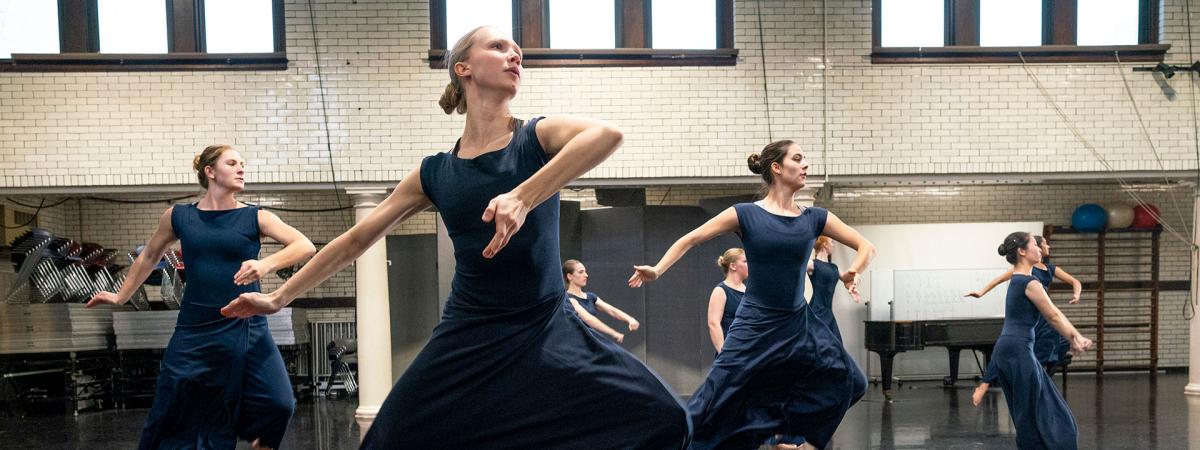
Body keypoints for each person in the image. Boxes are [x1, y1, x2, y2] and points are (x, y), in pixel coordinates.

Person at [220, 26, 690, 449]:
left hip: (546, 323)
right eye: (499, 47)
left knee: (664, 418)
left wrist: (523, 195)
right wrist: (278, 297)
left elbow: (607, 134)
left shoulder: (537, 136)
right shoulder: (436, 172)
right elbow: (356, 239)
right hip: (470, 330)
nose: (515, 56)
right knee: (388, 438)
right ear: (463, 68)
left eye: (518, 51)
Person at [629, 139, 876, 449]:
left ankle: (791, 438)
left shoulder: (815, 218)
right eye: (797, 158)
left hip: (799, 324)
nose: (805, 165)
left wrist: (854, 270)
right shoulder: (745, 214)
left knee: (852, 382)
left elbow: (866, 246)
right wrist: (657, 269)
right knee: (711, 401)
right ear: (776, 167)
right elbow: (691, 239)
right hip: (755, 324)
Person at [87, 144, 317, 450]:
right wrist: (120, 296)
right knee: (177, 408)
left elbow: (304, 246)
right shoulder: (179, 216)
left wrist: (265, 264)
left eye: (242, 163)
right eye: (232, 163)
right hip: (194, 329)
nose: (241, 168)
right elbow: (149, 256)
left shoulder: (256, 217)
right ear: (210, 172)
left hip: (245, 326)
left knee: (280, 404)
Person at [984, 231, 1093, 449]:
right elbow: (1053, 315)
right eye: (1035, 244)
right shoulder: (1029, 283)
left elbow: (1054, 314)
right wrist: (1075, 337)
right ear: (1022, 252)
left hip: (1011, 348)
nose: (1040, 248)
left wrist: (1075, 336)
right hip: (1018, 350)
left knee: (1031, 408)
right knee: (1036, 410)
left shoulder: (1018, 280)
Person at [562, 259, 640, 343]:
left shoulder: (591, 297)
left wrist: (630, 319)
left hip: (590, 341)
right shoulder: (569, 299)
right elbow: (588, 319)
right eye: (581, 272)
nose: (586, 275)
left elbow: (611, 310)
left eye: (585, 272)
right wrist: (613, 333)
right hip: (576, 344)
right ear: (569, 276)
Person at [707, 248, 747, 353]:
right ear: (733, 266)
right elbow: (713, 323)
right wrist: (724, 353)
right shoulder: (721, 291)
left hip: (748, 351)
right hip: (731, 352)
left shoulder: (748, 291)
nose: (749, 265)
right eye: (745, 261)